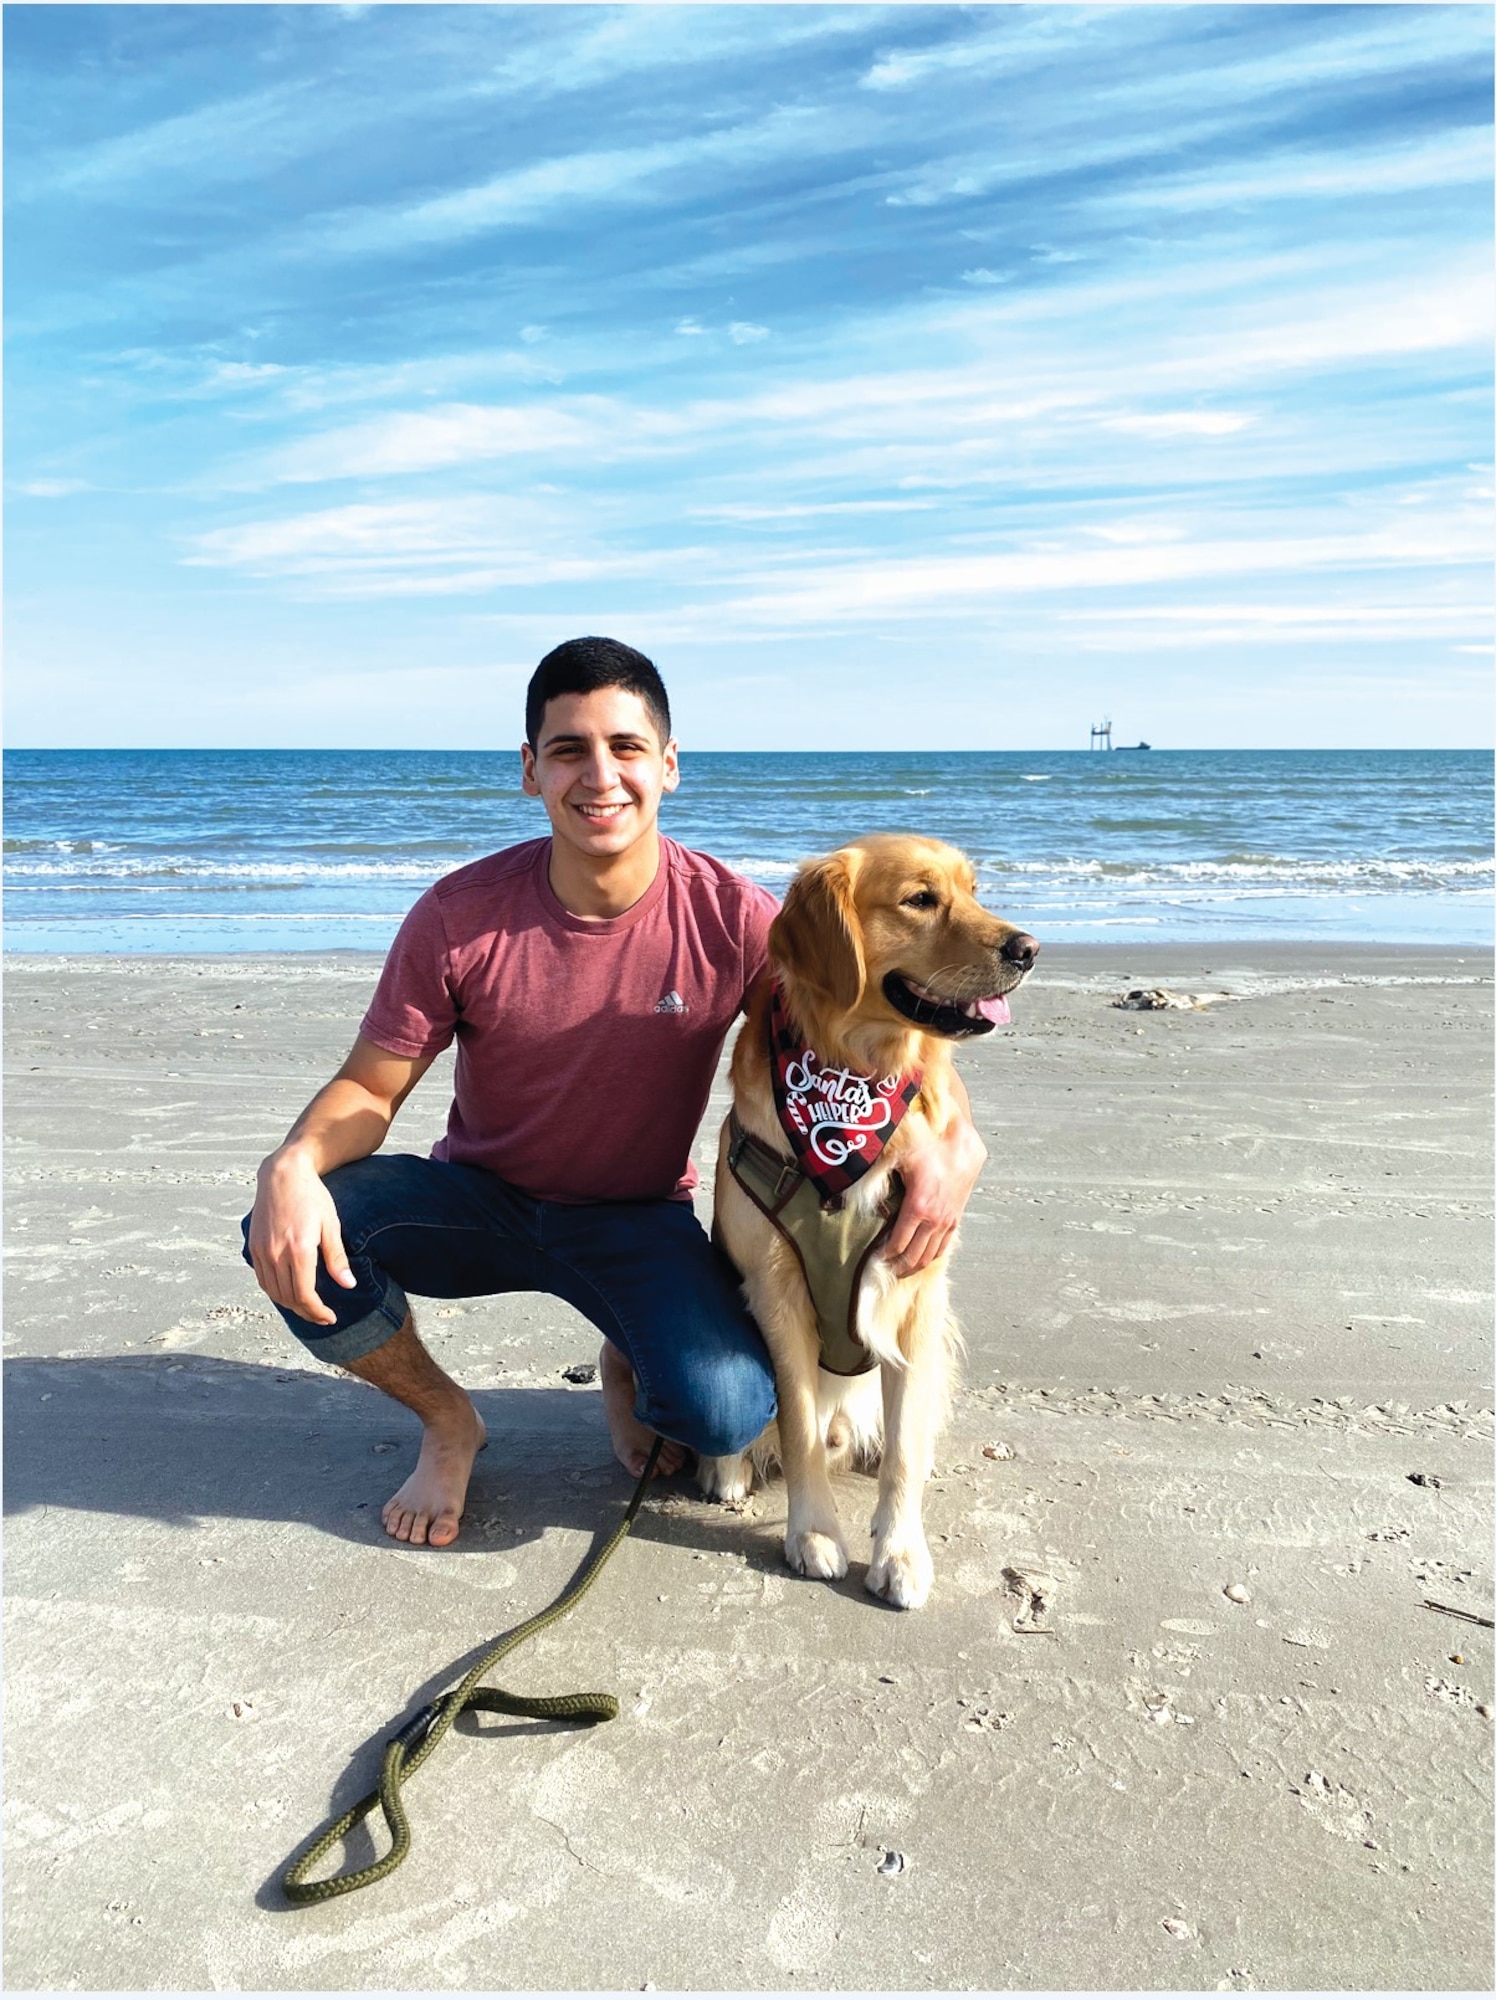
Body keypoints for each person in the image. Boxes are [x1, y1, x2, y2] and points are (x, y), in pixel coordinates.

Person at [243, 637, 987, 1548]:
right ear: (530, 772)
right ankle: (449, 1424)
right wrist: (295, 1163)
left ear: (668, 766)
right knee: (296, 1232)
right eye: (568, 750)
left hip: (638, 1219)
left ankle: (625, 1353)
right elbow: (370, 1083)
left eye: (627, 748)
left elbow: (857, 1033)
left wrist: (957, 1145)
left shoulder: (734, 917)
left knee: (720, 1415)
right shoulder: (457, 915)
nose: (601, 775)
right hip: (480, 1201)